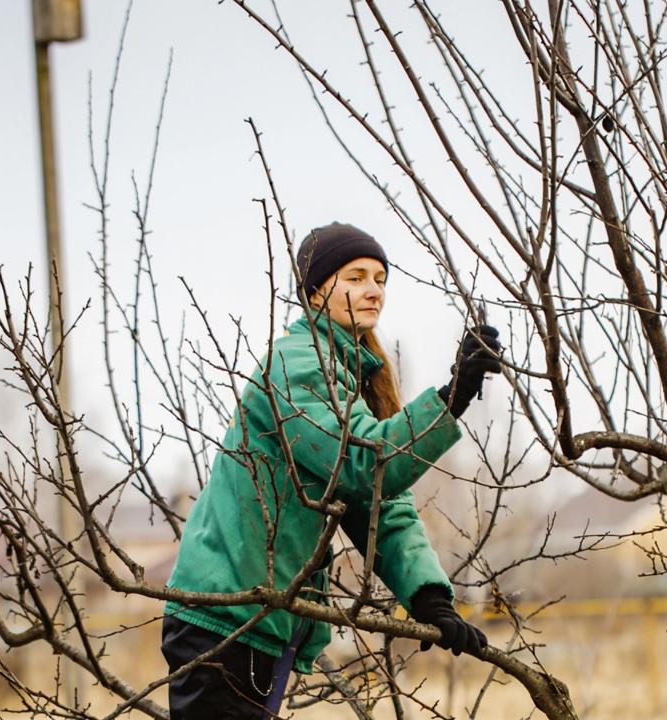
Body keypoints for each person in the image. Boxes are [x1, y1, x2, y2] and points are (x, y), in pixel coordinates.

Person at [161, 222, 504, 719]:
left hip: (261, 623)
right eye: (356, 277)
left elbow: (379, 503)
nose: (373, 291)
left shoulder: (353, 374)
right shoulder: (297, 363)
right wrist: (454, 397)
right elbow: (365, 463)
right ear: (316, 290)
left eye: (381, 279)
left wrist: (429, 597)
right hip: (228, 619)